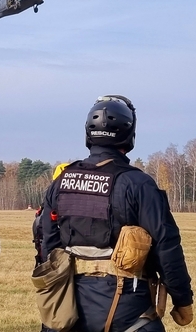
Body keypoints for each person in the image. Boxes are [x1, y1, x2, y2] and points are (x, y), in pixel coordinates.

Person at [41, 95, 193, 332]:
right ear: (129, 133)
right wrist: (182, 299)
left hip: (68, 304)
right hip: (128, 309)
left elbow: (47, 244)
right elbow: (167, 247)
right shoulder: (139, 184)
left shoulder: (61, 181)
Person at [32, 163, 69, 332]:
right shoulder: (64, 208)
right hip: (60, 267)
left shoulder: (42, 209)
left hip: (45, 267)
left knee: (50, 315)